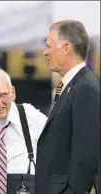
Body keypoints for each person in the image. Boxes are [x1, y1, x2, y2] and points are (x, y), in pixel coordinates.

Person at [35, 20, 100, 194]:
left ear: (66, 48)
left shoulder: (85, 87)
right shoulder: (73, 85)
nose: (45, 52)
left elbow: (86, 154)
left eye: (49, 46)